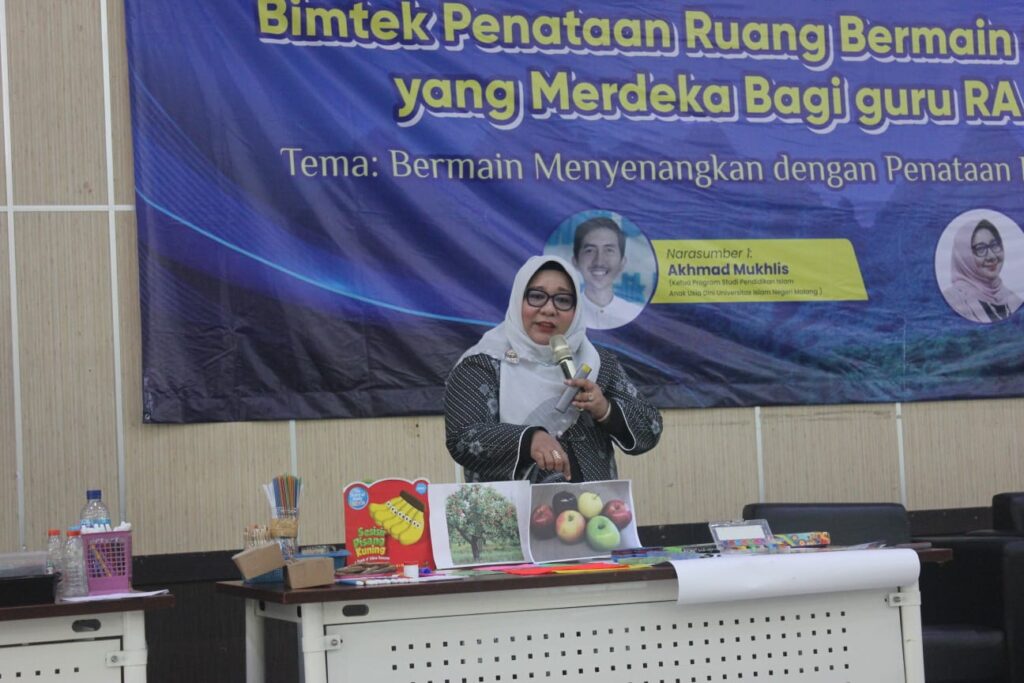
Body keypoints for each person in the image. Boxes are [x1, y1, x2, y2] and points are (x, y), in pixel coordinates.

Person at [445, 255, 661, 483]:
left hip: (594, 502)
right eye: (537, 296)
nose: (549, 309)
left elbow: (651, 428)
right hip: (514, 504)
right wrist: (530, 439)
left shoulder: (596, 362)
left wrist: (604, 409)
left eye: (563, 300)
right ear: (518, 300)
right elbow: (463, 438)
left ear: (576, 309)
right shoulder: (483, 363)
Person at [942, 218, 1022, 323]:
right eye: (980, 249)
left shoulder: (1013, 299)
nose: (991, 256)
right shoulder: (952, 301)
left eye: (994, 245)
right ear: (964, 257)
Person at [572, 217, 644, 329]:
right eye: (590, 250)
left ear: (622, 262)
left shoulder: (634, 315)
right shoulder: (564, 314)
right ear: (575, 261)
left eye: (609, 250)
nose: (599, 261)